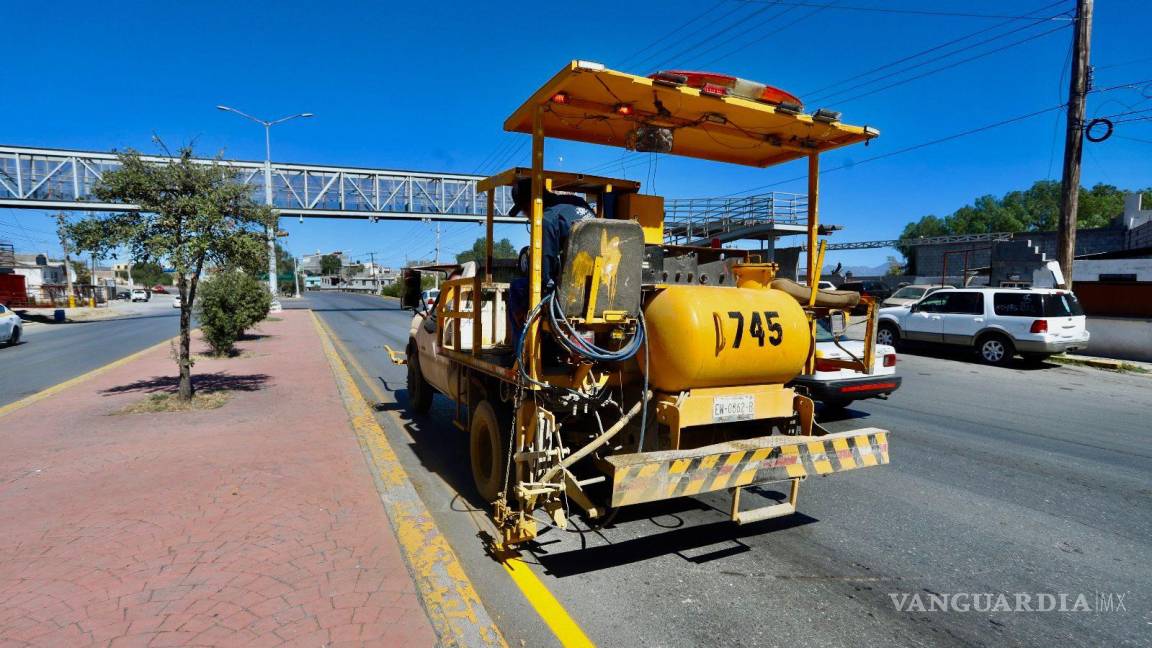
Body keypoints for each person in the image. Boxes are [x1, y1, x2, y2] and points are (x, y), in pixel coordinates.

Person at [506, 178, 594, 350]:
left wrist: (530, 305)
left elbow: (544, 271)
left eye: (524, 210)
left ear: (531, 202)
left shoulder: (546, 220)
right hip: (598, 287)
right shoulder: (579, 203)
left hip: (569, 291)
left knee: (518, 287)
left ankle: (522, 353)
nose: (526, 215)